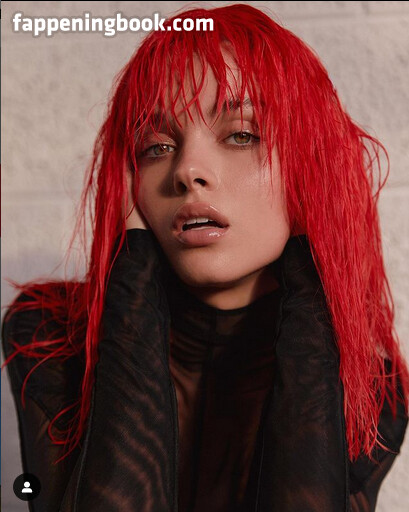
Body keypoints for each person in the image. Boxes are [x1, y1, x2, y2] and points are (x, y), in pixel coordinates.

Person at [2, 4, 409, 511]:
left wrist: (316, 266)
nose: (187, 170)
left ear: (310, 166)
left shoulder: (375, 395)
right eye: (155, 146)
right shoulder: (49, 337)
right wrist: (131, 271)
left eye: (242, 134)